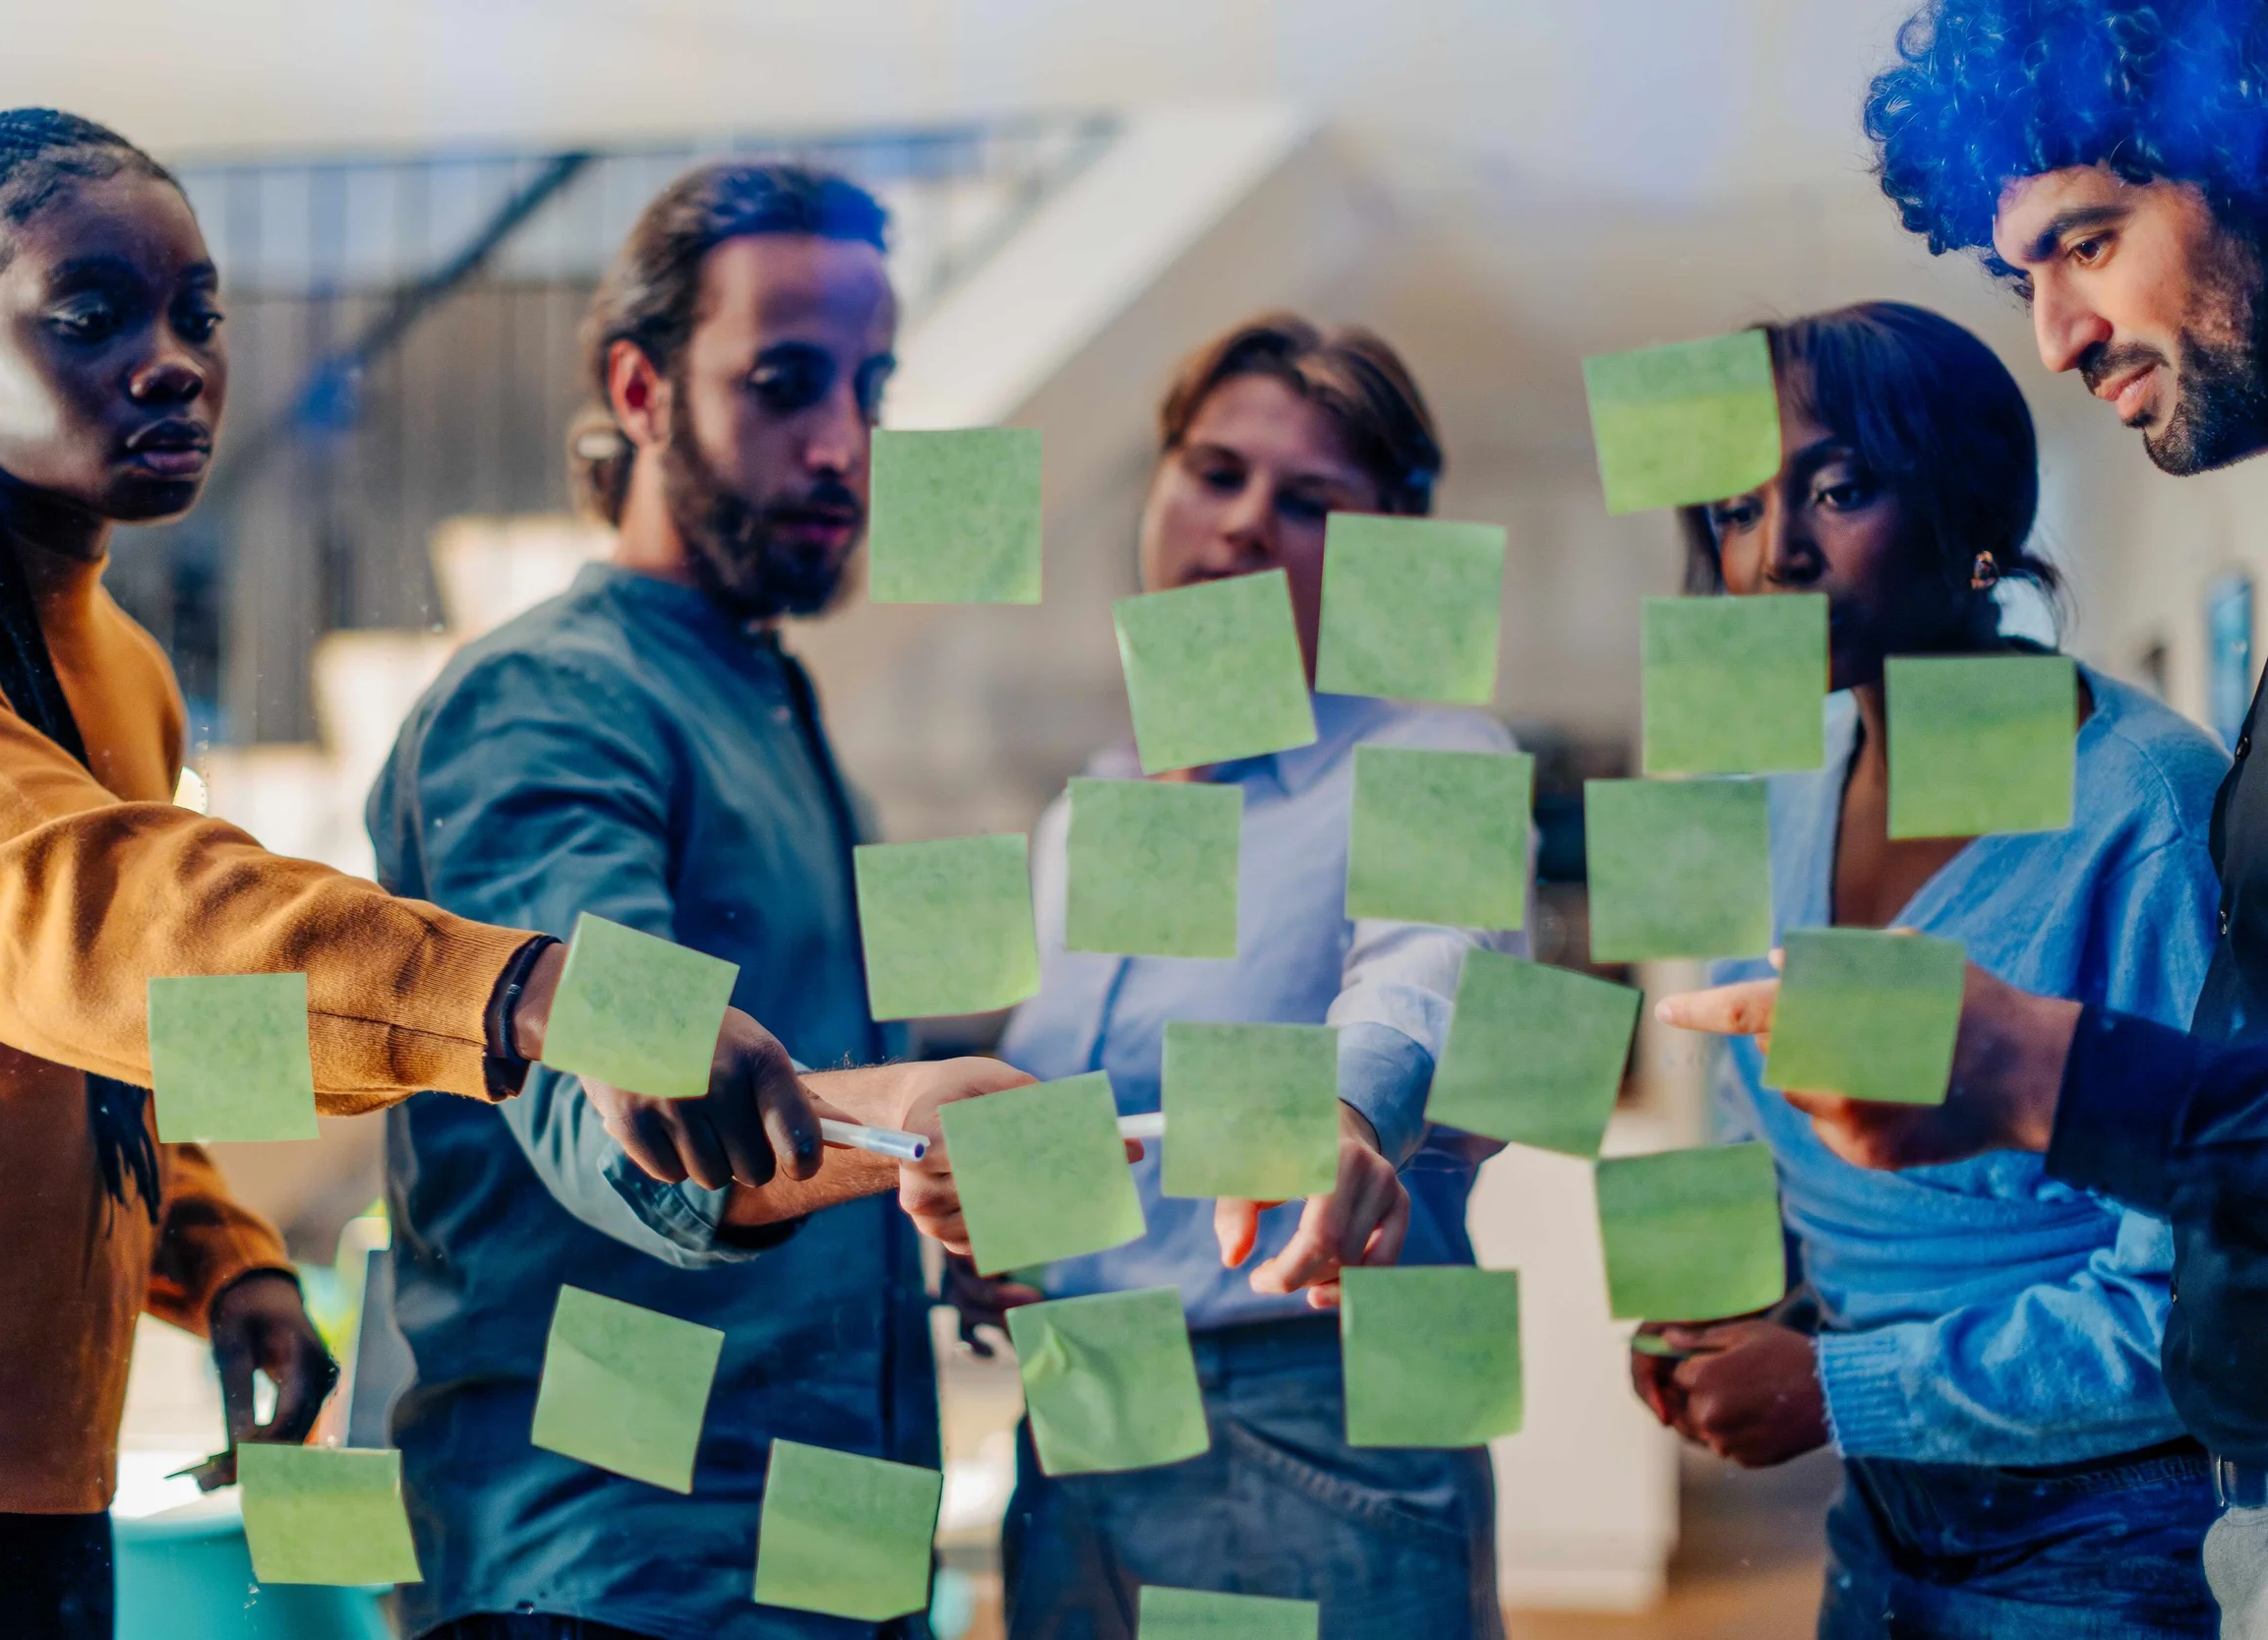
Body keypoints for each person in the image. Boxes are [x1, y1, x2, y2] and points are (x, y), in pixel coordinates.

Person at [0, 112, 959, 1640]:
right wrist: (544, 991)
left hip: (37, 1479)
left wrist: (219, 1262)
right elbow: (95, 926)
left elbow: (83, 1052)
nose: (173, 361)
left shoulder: (130, 673)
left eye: (199, 316)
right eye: (93, 315)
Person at [1651, 5, 2268, 1630]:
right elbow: (1767, 1111)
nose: (1774, 551)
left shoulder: (2135, 803)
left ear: (1974, 520)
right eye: (1734, 507)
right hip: (1884, 1526)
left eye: (1839, 488)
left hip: (2112, 1528)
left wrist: (1843, 1384)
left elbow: (2197, 1277)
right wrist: (1741, 1303)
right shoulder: (1777, 784)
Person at [368, 162, 1029, 1640]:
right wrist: (913, 1108)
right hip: (611, 1577)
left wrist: (939, 1189)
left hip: (822, 1560)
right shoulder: (551, 698)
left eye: (872, 386)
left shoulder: (767, 694)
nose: (846, 443)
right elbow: (630, 1125)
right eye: (786, 383)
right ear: (642, 388)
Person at [959, 314, 1519, 1639]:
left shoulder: (1435, 750)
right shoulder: (1091, 807)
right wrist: (1004, 1229)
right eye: (1215, 473)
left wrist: (1347, 1110)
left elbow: (1428, 964)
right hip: (1083, 1403)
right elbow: (1100, 1108)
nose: (1247, 522)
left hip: (1310, 1407)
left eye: (1311, 502)